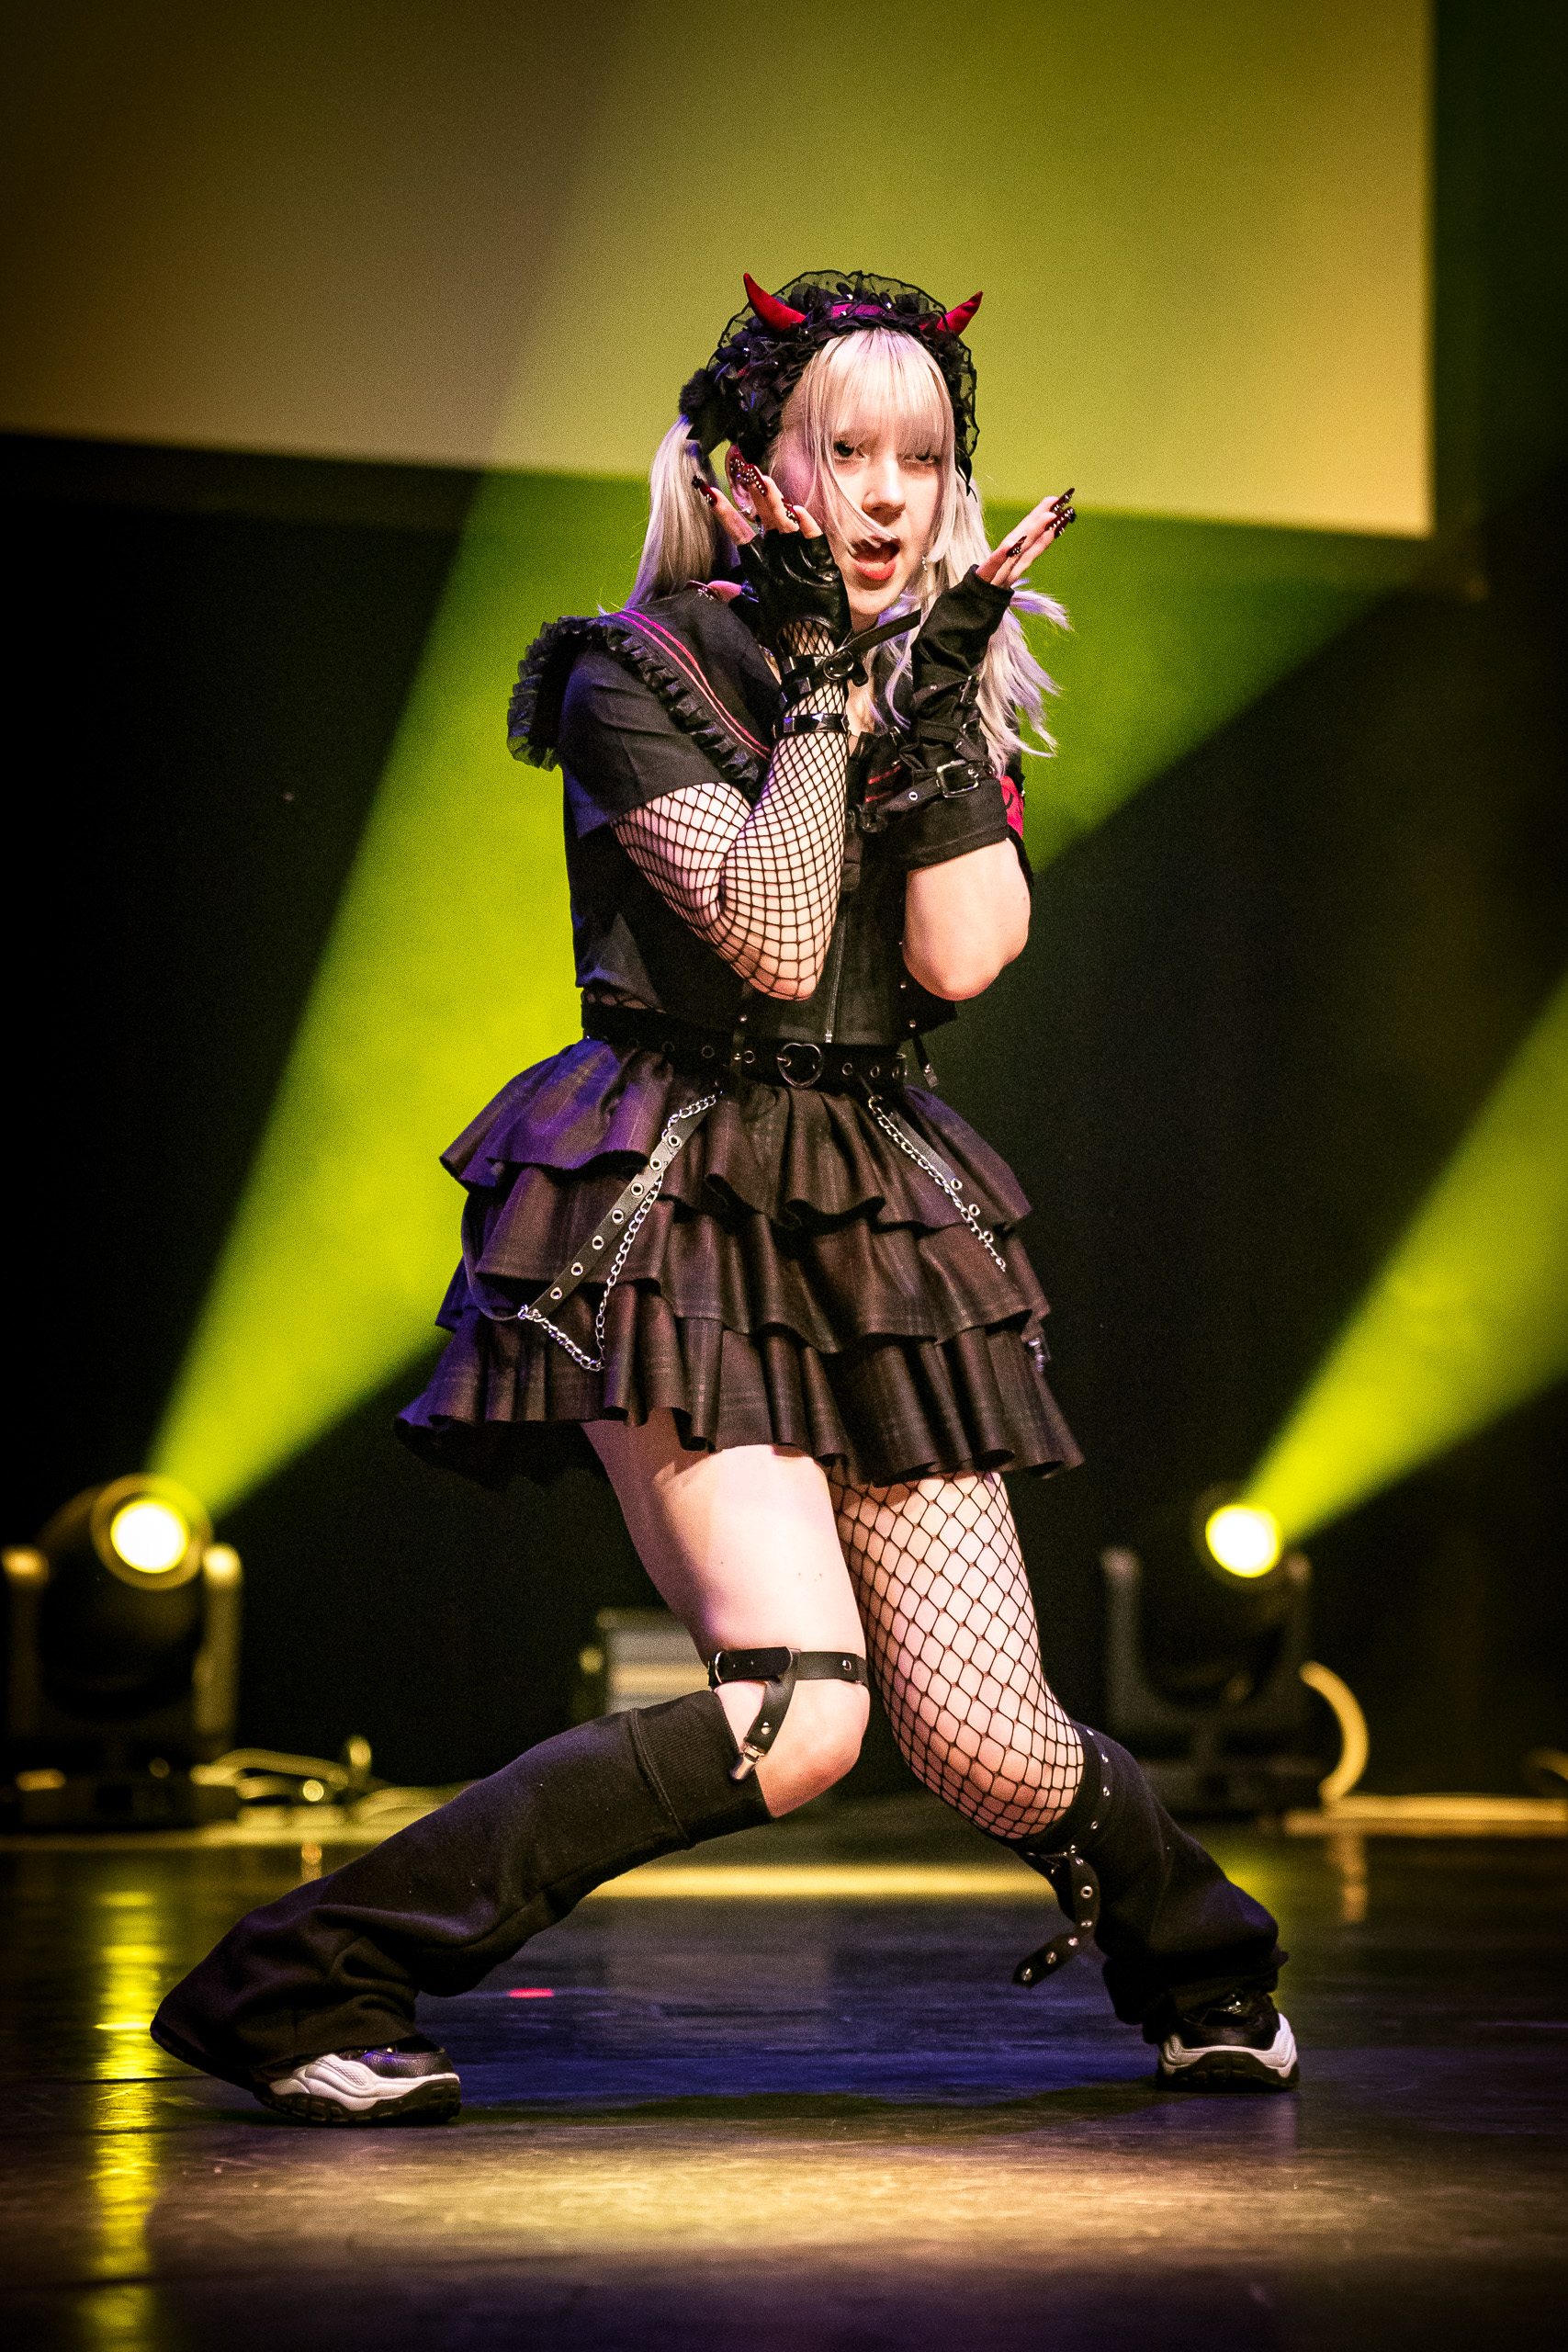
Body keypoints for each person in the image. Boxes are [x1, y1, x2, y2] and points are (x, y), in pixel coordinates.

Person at [152, 270, 1297, 2123]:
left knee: (991, 1742)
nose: (889, 493)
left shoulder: (922, 685)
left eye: (922, 457)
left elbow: (964, 953)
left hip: (871, 1203)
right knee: (797, 1711)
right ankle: (291, 1985)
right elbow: (770, 936)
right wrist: (831, 699)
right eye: (846, 450)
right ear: (747, 474)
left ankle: (1209, 1970)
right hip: (675, 1204)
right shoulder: (634, 670)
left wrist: (932, 709)